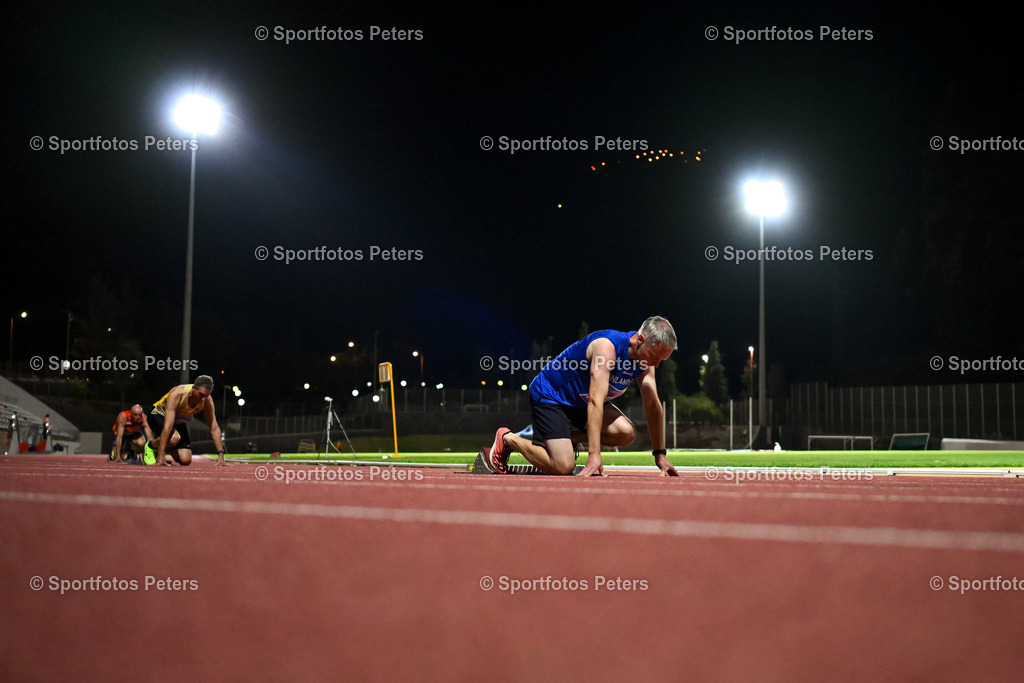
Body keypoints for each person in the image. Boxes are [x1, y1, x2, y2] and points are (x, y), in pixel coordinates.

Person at [486, 316, 679, 477]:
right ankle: (508, 439)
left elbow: (653, 406)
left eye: (662, 360)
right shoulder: (607, 347)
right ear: (640, 340)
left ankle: (567, 439)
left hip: (580, 402)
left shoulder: (646, 363)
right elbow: (595, 401)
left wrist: (660, 455)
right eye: (655, 356)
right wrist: (594, 455)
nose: (656, 364)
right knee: (563, 467)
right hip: (551, 395)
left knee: (626, 433)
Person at [144, 375, 226, 466]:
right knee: (174, 439)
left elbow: (214, 427)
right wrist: (160, 458)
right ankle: (151, 445)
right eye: (201, 395)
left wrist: (221, 455)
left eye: (207, 395)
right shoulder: (178, 394)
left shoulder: (207, 400)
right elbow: (168, 426)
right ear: (193, 388)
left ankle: (164, 447)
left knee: (185, 460)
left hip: (177, 420)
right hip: (158, 415)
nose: (203, 399)